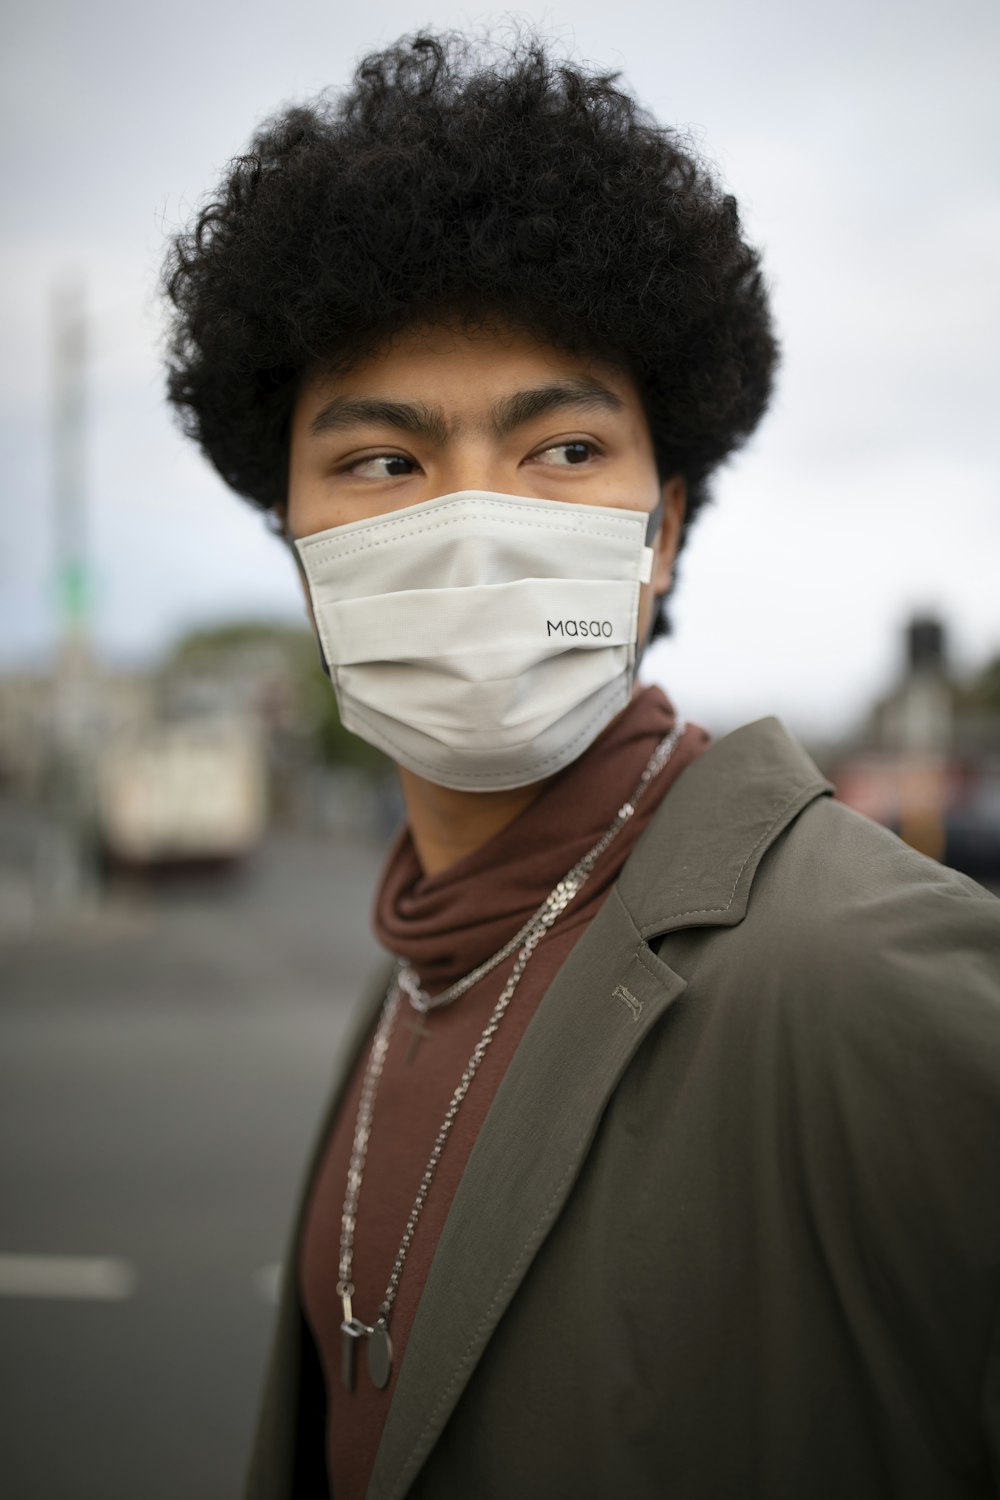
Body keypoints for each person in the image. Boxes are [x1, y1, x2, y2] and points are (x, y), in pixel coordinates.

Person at [162, 31, 1000, 1500]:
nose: (475, 524)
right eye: (382, 462)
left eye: (558, 450)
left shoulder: (868, 970)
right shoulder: (431, 953)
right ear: (294, 541)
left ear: (662, 528)